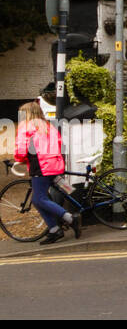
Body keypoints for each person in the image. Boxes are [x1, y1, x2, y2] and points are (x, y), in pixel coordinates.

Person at [13, 101, 80, 244]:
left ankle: (69, 219)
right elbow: (60, 143)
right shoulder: (49, 126)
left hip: (40, 165)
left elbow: (21, 149)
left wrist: (18, 159)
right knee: (38, 199)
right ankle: (54, 229)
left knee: (39, 199)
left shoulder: (27, 126)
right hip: (54, 164)